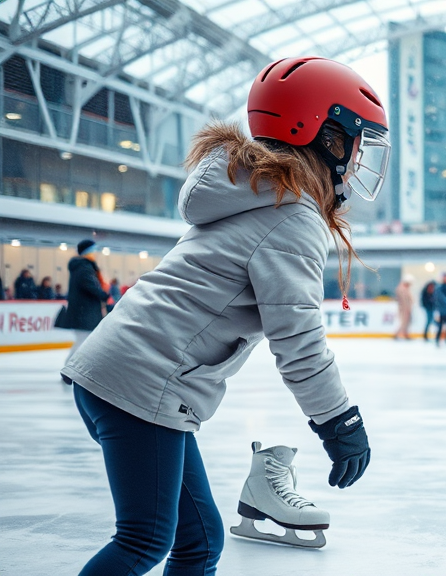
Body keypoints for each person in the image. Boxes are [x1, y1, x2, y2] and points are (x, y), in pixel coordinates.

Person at [58, 57, 387, 574]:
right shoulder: (290, 214)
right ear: (323, 134)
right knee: (144, 540)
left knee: (201, 541)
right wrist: (338, 420)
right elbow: (298, 338)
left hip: (123, 372)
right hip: (144, 383)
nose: (359, 158)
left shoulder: (257, 195)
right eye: (356, 141)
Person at [56, 240, 109, 361]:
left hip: (84, 312)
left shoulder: (83, 267)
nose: (95, 253)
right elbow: (90, 286)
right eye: (94, 250)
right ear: (88, 251)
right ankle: (69, 368)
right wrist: (104, 295)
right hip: (83, 313)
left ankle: (71, 368)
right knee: (83, 342)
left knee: (84, 341)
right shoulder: (84, 267)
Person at [394, 274, 414, 340]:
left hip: (406, 308)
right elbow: (404, 300)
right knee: (404, 322)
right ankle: (397, 334)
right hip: (404, 309)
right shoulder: (402, 289)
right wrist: (407, 308)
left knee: (407, 322)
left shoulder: (405, 289)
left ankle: (406, 334)